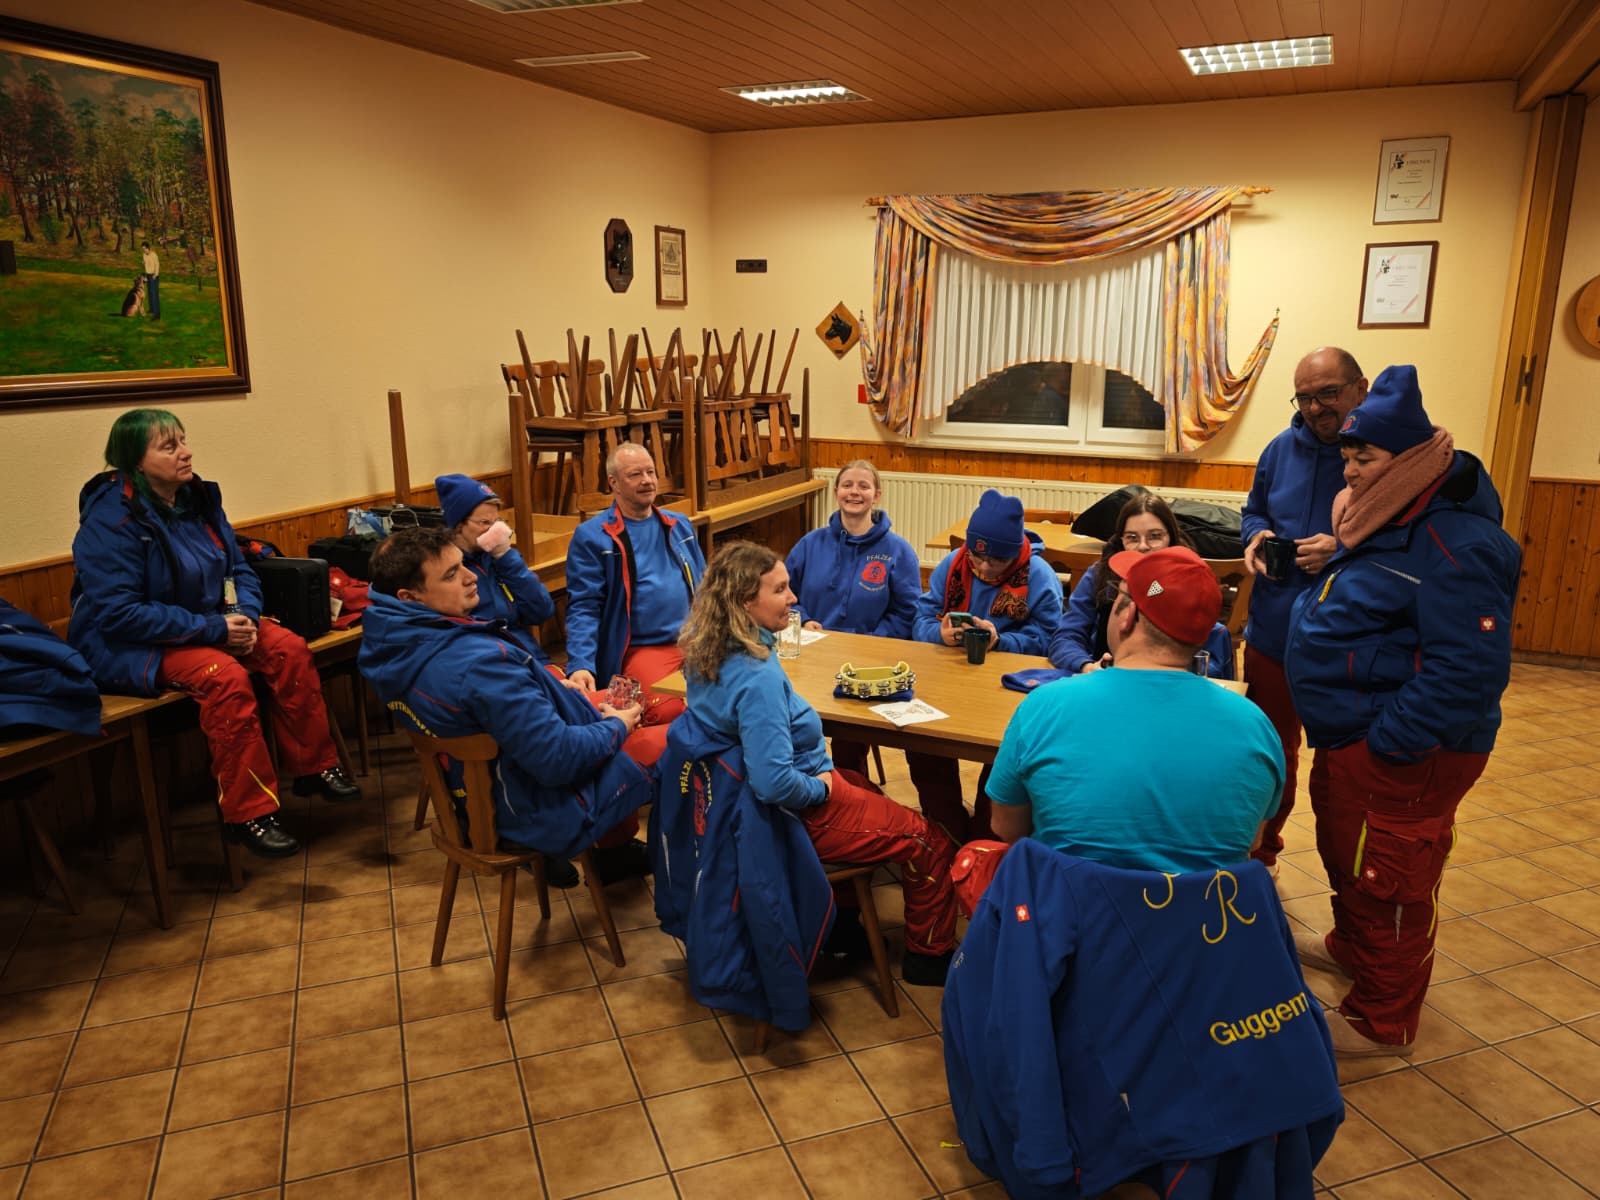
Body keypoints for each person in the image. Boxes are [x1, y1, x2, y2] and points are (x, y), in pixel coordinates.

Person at [1284, 365, 1520, 1058]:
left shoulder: (1457, 542)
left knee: (1388, 875)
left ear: (1411, 460)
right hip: (1353, 734)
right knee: (1347, 850)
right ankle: (1354, 949)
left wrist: (1390, 741)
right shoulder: (1387, 516)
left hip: (1402, 748)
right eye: (1348, 456)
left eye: (1366, 457)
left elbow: (1468, 669)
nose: (1350, 471)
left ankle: (1382, 1019)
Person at [70, 409, 358, 859]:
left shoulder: (198, 499)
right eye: (169, 446)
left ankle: (313, 767)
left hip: (208, 623)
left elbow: (238, 568)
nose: (185, 453)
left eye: (183, 441)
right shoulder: (111, 521)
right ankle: (248, 814)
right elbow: (119, 614)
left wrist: (244, 617)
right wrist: (216, 629)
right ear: (135, 461)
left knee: (288, 647)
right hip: (131, 644)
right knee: (225, 679)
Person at [675, 542, 960, 986]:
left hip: (738, 806)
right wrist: (822, 788)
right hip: (793, 811)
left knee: (863, 785)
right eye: (780, 590)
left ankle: (840, 923)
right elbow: (773, 783)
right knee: (929, 841)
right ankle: (929, 957)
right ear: (745, 602)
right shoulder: (756, 678)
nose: (793, 598)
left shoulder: (707, 653)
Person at [359, 527, 657, 883]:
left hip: (475, 797)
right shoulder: (478, 665)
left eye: (463, 564)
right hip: (536, 809)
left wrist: (548, 688)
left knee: (658, 710)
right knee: (685, 741)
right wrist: (617, 726)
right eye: (451, 575)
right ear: (410, 597)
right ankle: (669, 878)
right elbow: (559, 758)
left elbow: (490, 709)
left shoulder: (390, 644)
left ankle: (618, 851)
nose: (471, 577)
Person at [988, 546, 1283, 870]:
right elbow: (1251, 841)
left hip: (1066, 900)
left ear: (1128, 615)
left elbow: (1006, 827)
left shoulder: (1044, 707)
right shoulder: (1257, 727)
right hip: (1207, 904)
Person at [1240, 347, 1369, 873]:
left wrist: (1340, 550)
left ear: (1360, 388)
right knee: (1270, 752)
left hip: (1349, 641)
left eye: (1328, 394)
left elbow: (1405, 544)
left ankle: (1350, 884)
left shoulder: (1384, 455)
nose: (1315, 408)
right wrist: (1257, 537)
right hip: (1274, 632)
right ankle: (1262, 855)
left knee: (1341, 766)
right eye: (1304, 398)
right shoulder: (1278, 450)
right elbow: (1253, 512)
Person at [909, 489, 1063, 841]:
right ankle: (945, 826)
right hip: (949, 679)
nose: (982, 568)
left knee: (1002, 753)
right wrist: (938, 633)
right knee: (920, 740)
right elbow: (921, 617)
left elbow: (1051, 640)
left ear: (1013, 554)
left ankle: (984, 834)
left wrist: (1002, 640)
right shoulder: (954, 563)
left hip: (1006, 688)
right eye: (977, 557)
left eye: (995, 561)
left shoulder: (1039, 576)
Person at [785, 459, 920, 776]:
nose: (854, 492)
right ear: (836, 492)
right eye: (847, 485)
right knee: (790, 728)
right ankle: (805, 791)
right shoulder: (810, 544)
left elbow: (907, 612)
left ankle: (851, 790)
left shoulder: (898, 551)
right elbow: (783, 595)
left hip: (866, 664)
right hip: (811, 659)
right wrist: (803, 620)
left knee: (848, 744)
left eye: (863, 486)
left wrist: (870, 643)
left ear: (877, 495)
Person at [563, 444, 704, 720]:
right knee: (670, 709)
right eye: (635, 474)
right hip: (642, 649)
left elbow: (708, 588)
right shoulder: (592, 537)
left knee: (745, 685)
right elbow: (584, 607)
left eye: (651, 472)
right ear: (613, 483)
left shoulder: (680, 525)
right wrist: (580, 664)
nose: (647, 480)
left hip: (697, 641)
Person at [1047, 492, 1235, 679]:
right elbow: (1066, 636)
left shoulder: (1188, 578)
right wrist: (1086, 665)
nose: (1143, 546)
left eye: (1155, 536)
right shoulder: (1100, 574)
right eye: (1132, 538)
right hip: (1106, 678)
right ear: (1120, 540)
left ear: (1171, 537)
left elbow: (1207, 653)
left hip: (1169, 681)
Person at [434, 473, 555, 659]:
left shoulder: (501, 557)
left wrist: (506, 558)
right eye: (484, 522)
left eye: (497, 522)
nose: (494, 530)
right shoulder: (446, 568)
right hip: (489, 659)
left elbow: (541, 611)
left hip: (528, 655)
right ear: (458, 525)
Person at [141, 242, 161, 320]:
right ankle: (152, 309)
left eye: (145, 248)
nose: (144, 250)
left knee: (154, 295)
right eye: (143, 249)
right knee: (150, 293)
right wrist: (143, 263)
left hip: (154, 276)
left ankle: (157, 315)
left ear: (148, 248)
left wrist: (155, 274)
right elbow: (145, 264)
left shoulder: (154, 255)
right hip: (148, 275)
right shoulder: (144, 255)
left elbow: (157, 264)